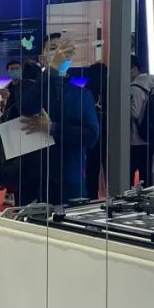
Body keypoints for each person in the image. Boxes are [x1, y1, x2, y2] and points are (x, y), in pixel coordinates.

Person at [16, 34, 100, 204]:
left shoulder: (82, 95)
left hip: (70, 176)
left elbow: (91, 136)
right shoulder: (29, 88)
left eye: (63, 50)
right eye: (53, 49)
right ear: (42, 57)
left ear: (70, 57)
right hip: (35, 177)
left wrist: (52, 128)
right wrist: (51, 70)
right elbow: (26, 107)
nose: (58, 54)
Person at [129, 55, 154, 187]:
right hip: (149, 135)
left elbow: (134, 112)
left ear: (134, 69)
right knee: (146, 174)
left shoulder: (135, 88)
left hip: (136, 138)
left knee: (130, 173)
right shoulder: (152, 84)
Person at [84, 62, 108, 200]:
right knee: (110, 169)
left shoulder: (88, 89)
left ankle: (92, 198)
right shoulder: (112, 87)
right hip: (109, 135)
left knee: (92, 170)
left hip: (93, 135)